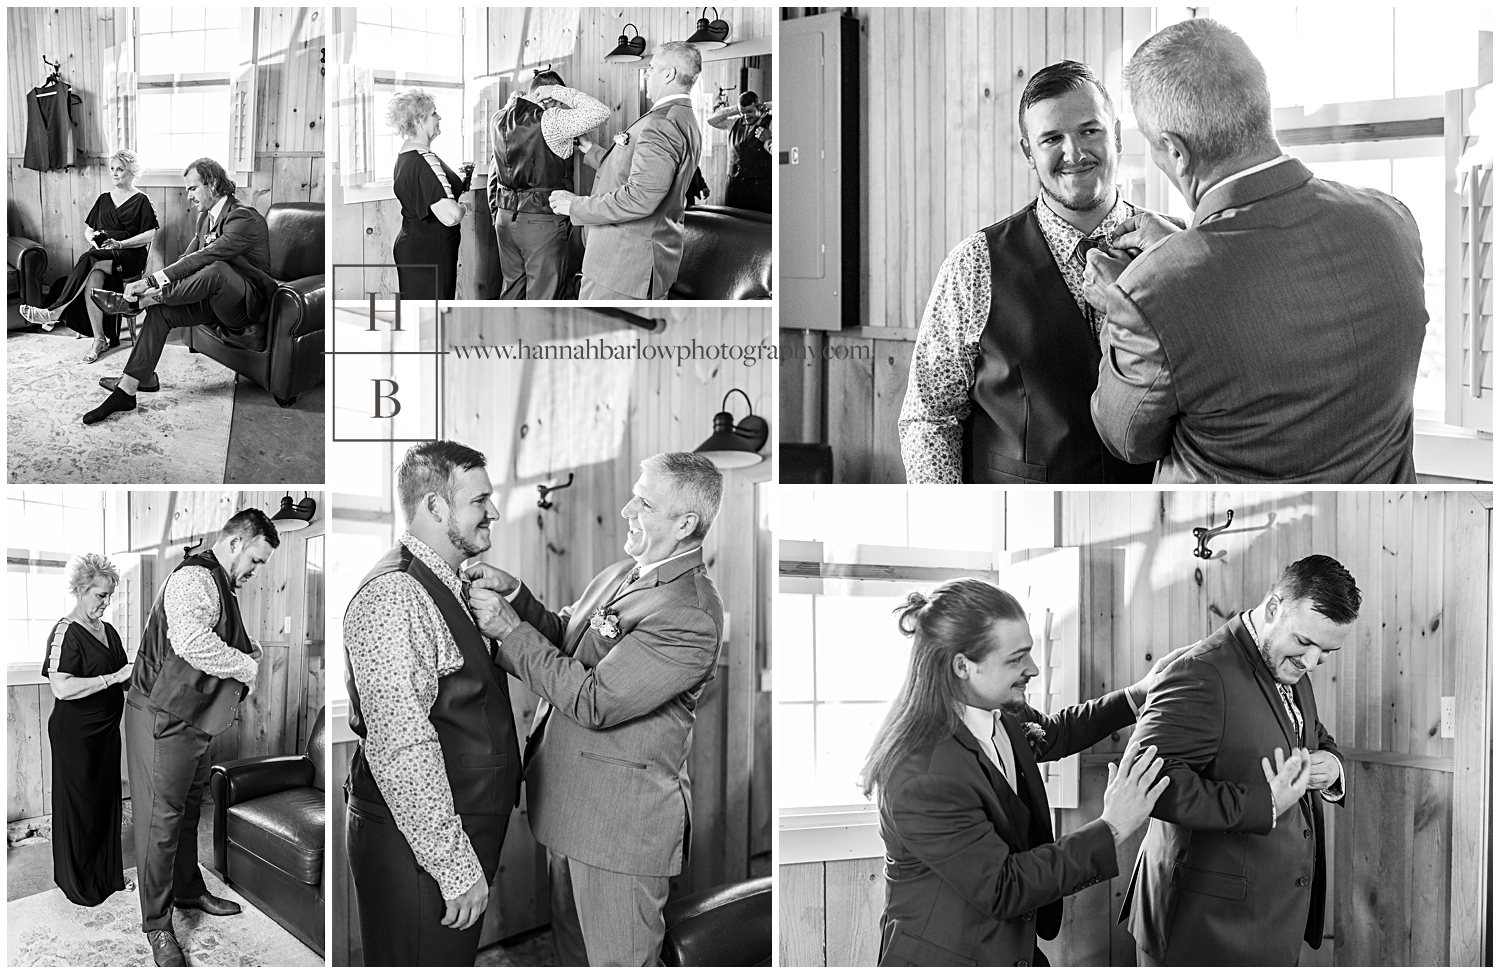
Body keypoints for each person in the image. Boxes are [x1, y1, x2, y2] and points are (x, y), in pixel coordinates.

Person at [1084, 19, 1428, 483]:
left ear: (1174, 150)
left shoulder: (1146, 293)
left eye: (1153, 147)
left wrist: (1122, 303)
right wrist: (1181, 251)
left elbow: (1127, 439)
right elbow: (1277, 285)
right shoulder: (1391, 220)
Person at [467, 452, 725, 966]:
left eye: (644, 502)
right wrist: (515, 596)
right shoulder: (621, 574)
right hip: (568, 809)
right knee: (573, 957)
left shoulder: (689, 613)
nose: (628, 508)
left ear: (685, 523)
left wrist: (507, 631)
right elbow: (568, 637)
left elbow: (594, 700)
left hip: (618, 831)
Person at [862, 578, 1200, 966]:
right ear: (962, 666)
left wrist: (1136, 694)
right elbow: (1004, 886)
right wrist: (1113, 826)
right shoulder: (919, 773)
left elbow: (1055, 733)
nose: (1034, 669)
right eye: (1016, 658)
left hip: (1011, 951)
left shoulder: (999, 709)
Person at [899, 61, 1157, 485]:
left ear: (1116, 134)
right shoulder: (973, 265)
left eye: (1089, 130)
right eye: (1052, 138)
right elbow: (929, 418)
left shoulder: (1173, 247)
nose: (1074, 153)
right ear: (1028, 153)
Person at [1118, 554, 1356, 965]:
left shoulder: (1288, 663)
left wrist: (1331, 767)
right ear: (1272, 608)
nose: (1312, 662)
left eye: (1326, 652)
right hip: (1204, 930)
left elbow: (1311, 731)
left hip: (1269, 922)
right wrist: (1263, 804)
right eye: (1304, 642)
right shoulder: (1200, 672)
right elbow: (1147, 785)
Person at [343, 441, 521, 966]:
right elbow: (401, 743)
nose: (492, 511)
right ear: (436, 507)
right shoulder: (395, 595)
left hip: (454, 831)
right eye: (479, 500)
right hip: (418, 846)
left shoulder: (449, 584)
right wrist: (453, 866)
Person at [124, 509, 277, 966]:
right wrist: (249, 665)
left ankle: (189, 890)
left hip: (190, 719)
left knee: (189, 810)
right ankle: (156, 925)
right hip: (161, 717)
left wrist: (251, 650)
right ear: (235, 544)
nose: (255, 571)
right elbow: (190, 641)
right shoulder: (196, 578)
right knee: (160, 822)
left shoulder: (219, 584)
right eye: (256, 560)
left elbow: (216, 639)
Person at [84, 158, 276, 425]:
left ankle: (143, 302)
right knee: (161, 312)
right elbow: (186, 259)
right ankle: (129, 387)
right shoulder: (204, 219)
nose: (188, 196)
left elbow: (207, 257)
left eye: (193, 189)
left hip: (245, 305)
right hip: (214, 299)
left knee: (216, 267)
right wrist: (161, 285)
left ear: (212, 184)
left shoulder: (244, 218)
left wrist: (150, 284)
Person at [549, 41, 704, 300]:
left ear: (669, 74)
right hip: (635, 264)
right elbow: (638, 171)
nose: (646, 73)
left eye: (652, 68)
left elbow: (641, 197)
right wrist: (591, 150)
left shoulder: (661, 123)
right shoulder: (683, 118)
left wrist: (575, 206)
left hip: (624, 269)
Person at [42, 553, 134, 907]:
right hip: (75, 734)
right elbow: (62, 688)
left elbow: (124, 677)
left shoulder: (108, 631)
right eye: (100, 595)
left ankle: (107, 877)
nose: (106, 603)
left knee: (104, 803)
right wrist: (114, 677)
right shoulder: (65, 630)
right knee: (80, 806)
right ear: (81, 590)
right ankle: (78, 883)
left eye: (110, 596)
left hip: (107, 731)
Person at [20, 149, 158, 362]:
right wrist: (93, 240)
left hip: (129, 257)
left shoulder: (142, 200)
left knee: (90, 259)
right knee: (93, 273)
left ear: (131, 173)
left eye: (119, 169)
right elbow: (88, 230)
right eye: (111, 169)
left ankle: (54, 312)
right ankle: (99, 339)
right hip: (102, 255)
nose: (114, 173)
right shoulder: (104, 199)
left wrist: (120, 243)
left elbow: (149, 235)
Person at [489, 70, 609, 299]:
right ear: (548, 97)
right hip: (542, 220)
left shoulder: (499, 118)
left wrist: (497, 214)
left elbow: (494, 173)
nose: (562, 107)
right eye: (559, 101)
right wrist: (557, 92)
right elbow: (600, 112)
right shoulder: (550, 119)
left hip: (504, 220)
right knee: (544, 297)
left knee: (512, 290)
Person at [388, 87, 471, 301]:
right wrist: (464, 208)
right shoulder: (424, 159)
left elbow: (428, 192)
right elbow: (450, 215)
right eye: (434, 113)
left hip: (415, 247)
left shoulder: (405, 156)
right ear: (418, 120)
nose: (439, 117)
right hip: (429, 253)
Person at [706, 91, 772, 212]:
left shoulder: (771, 123)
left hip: (760, 187)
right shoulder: (734, 123)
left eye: (750, 111)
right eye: (743, 113)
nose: (746, 117)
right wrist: (737, 108)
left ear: (759, 107)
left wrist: (768, 106)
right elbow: (712, 120)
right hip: (734, 185)